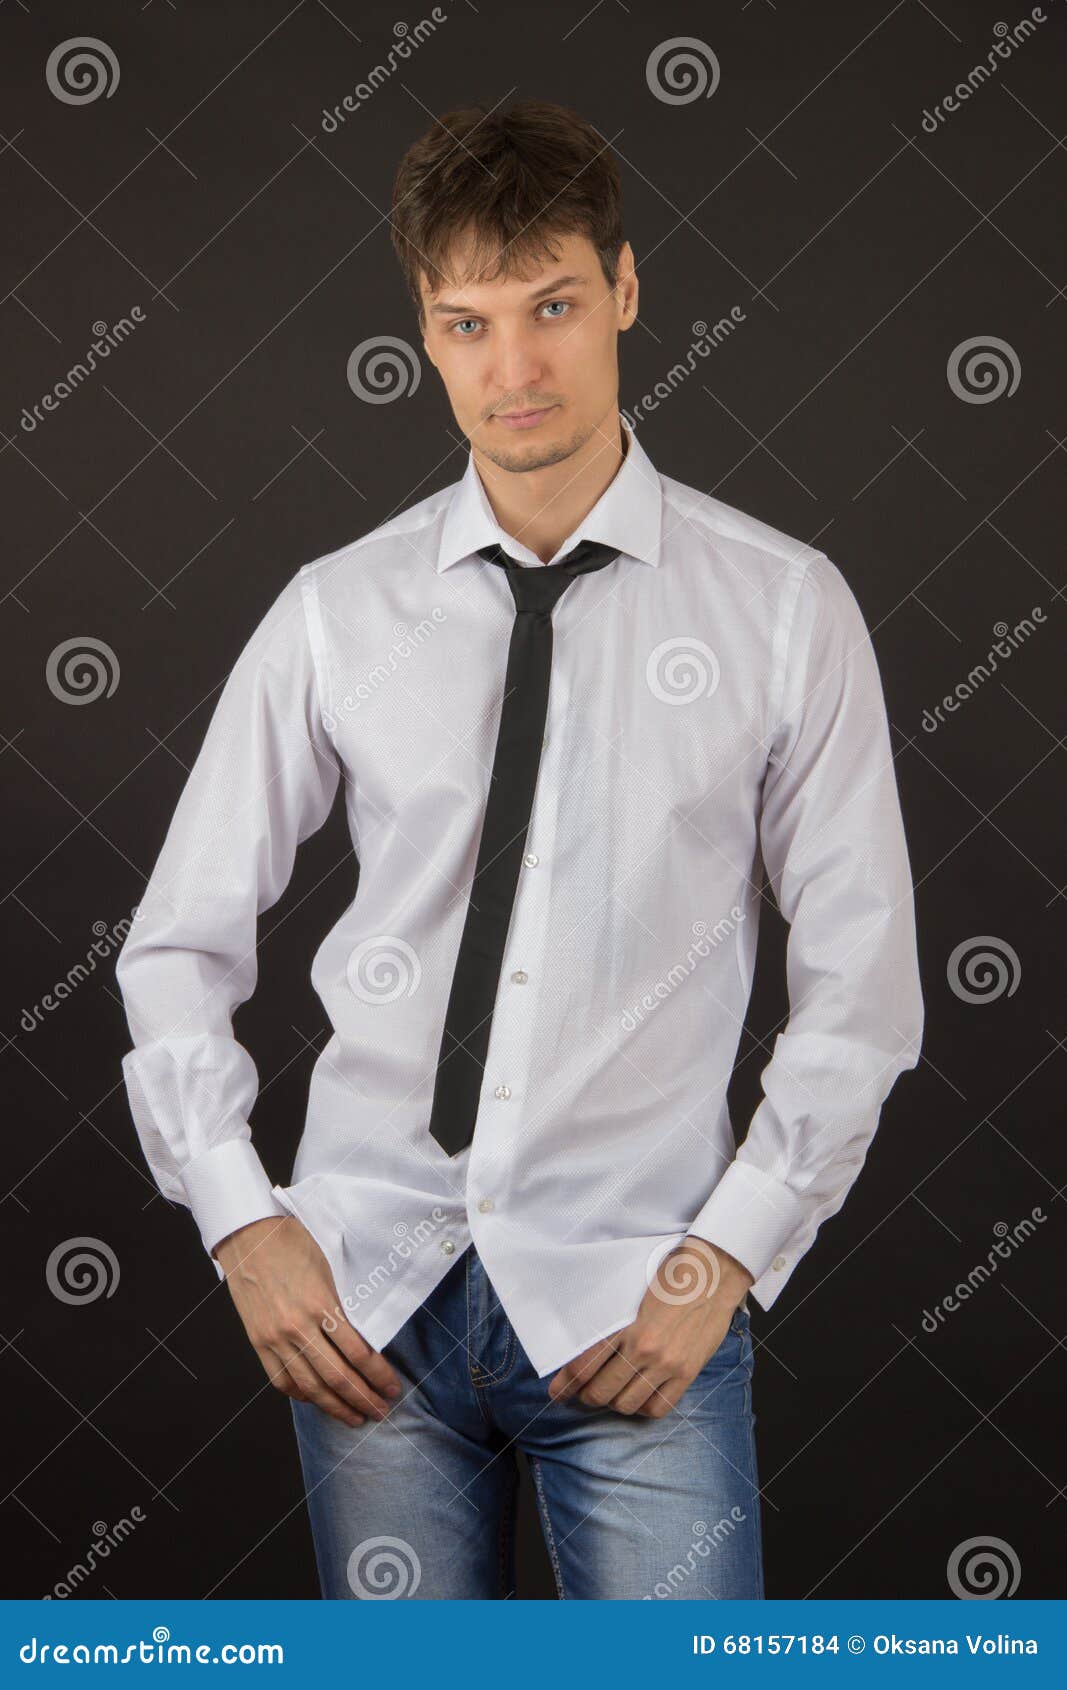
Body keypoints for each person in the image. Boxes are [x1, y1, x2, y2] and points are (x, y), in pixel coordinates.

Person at [115, 97, 923, 1600]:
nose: (515, 367)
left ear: (625, 289)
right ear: (423, 331)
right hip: (371, 1308)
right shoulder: (335, 612)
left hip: (634, 1304)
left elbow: (864, 993)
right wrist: (242, 1218)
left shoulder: (783, 609)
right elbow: (174, 946)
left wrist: (730, 1256)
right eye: (467, 322)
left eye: (552, 306)